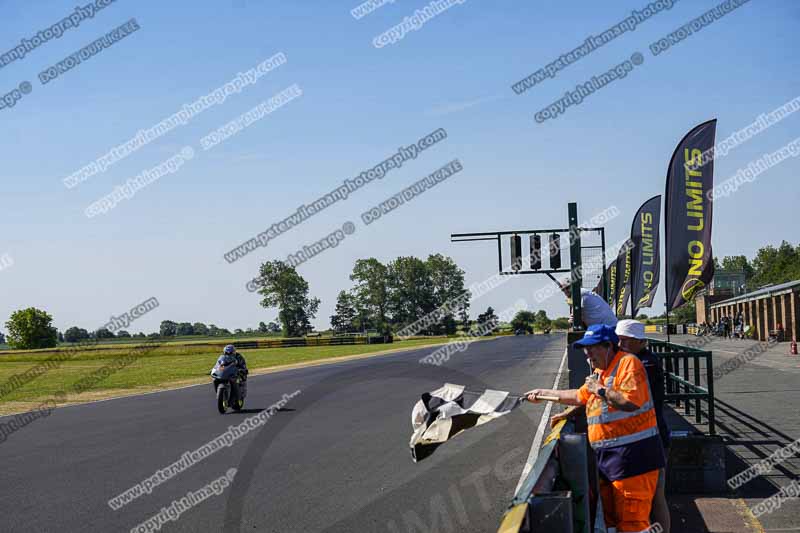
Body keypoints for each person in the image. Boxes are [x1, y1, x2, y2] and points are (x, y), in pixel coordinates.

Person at [527, 324, 664, 533]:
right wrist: (542, 393)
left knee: (632, 522)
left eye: (592, 347)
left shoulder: (628, 363)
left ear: (608, 346)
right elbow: (577, 396)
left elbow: (629, 402)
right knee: (611, 520)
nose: (587, 354)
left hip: (634, 458)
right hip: (609, 459)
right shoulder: (601, 372)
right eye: (584, 348)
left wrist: (598, 390)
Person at [616, 319, 670, 533]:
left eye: (625, 341)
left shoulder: (646, 364)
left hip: (653, 438)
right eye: (618, 341)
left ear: (640, 342)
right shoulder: (634, 360)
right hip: (642, 437)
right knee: (647, 499)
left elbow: (625, 397)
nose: (620, 346)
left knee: (656, 497)